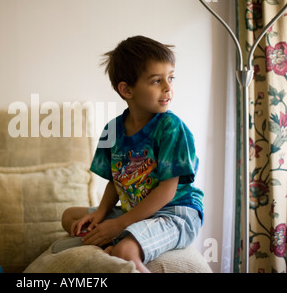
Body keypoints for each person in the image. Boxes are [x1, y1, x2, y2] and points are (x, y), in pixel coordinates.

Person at [61, 35, 204, 273]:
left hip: (175, 213)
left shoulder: (170, 128)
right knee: (70, 217)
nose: (168, 87)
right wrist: (101, 213)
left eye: (170, 78)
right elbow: (116, 181)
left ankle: (120, 242)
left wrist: (119, 225)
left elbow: (167, 190)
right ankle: (114, 236)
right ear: (126, 89)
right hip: (136, 212)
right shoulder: (112, 130)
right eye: (157, 81)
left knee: (124, 252)